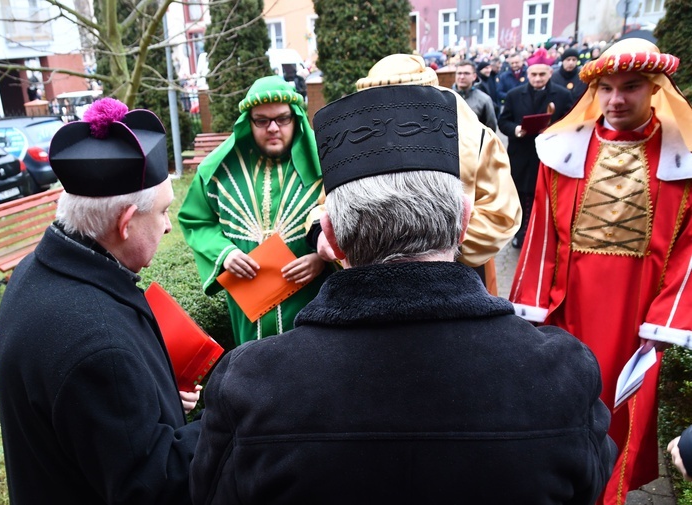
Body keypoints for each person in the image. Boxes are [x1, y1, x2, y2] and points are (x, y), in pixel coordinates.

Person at [190, 83, 617, 505]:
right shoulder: (563, 375)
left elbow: (211, 491)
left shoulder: (250, 385)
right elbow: (592, 481)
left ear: (332, 239)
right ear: (464, 223)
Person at [509, 38, 692, 505]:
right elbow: (541, 235)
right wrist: (531, 311)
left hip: (637, 317)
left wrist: (665, 320)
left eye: (630, 87)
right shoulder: (564, 153)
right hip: (571, 311)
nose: (615, 100)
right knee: (566, 401)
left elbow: (688, 248)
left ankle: (606, 493)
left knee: (620, 410)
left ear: (655, 88)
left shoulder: (681, 162)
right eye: (606, 88)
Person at [0, 98, 202, 504]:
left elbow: (86, 418)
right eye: (162, 212)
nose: (167, 225)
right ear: (125, 223)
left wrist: (154, 400)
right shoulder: (97, 347)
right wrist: (226, 419)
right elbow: (154, 487)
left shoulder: (34, 272)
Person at [308, 54, 521, 295]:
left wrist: (425, 248)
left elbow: (500, 217)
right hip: (373, 283)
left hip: (457, 278)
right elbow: (327, 207)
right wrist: (320, 234)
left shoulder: (476, 137)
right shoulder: (359, 140)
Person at [178, 76, 331, 346]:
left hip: (310, 297)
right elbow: (196, 220)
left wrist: (322, 260)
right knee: (252, 371)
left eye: (282, 118)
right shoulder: (218, 172)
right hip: (248, 304)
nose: (273, 128)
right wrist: (224, 253)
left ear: (295, 118)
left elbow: (348, 224)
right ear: (249, 123)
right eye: (262, 120)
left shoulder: (325, 170)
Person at [498, 59, 574, 248]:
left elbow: (571, 121)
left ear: (550, 73)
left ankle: (544, 235)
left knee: (544, 195)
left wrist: (553, 131)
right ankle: (521, 233)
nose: (537, 78)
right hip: (522, 154)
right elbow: (503, 121)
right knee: (522, 195)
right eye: (534, 74)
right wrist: (516, 129)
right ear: (528, 74)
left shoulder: (563, 95)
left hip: (549, 154)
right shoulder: (514, 95)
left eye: (542, 74)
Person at [452, 60, 497, 131]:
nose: (462, 77)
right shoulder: (446, 97)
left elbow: (491, 129)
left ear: (474, 76)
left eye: (466, 73)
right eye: (459, 73)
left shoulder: (484, 100)